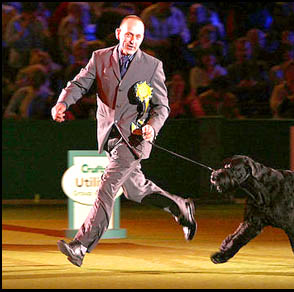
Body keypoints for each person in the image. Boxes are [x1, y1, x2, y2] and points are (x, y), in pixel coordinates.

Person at [52, 15, 197, 267]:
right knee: (135, 189)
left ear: (142, 38)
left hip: (135, 140)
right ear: (119, 33)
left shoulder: (152, 65)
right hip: (110, 137)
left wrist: (152, 127)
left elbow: (162, 107)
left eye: (138, 36)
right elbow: (79, 83)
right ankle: (180, 207)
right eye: (129, 34)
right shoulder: (100, 58)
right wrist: (63, 102)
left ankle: (80, 245)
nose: (132, 40)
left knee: (107, 187)